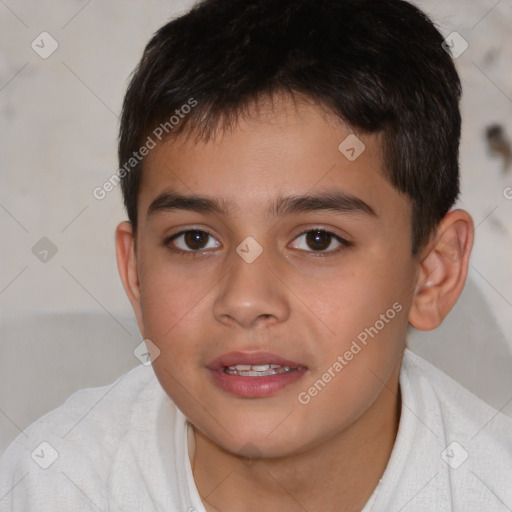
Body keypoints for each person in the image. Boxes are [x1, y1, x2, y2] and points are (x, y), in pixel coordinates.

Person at [1, 0, 511, 510]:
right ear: (136, 274)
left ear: (432, 275)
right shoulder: (50, 487)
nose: (245, 301)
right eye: (195, 240)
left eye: (318, 240)